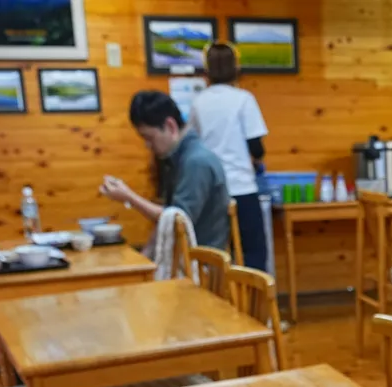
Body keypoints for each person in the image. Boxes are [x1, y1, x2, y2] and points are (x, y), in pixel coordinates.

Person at [101, 90, 231, 255]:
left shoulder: (196, 162)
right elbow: (166, 218)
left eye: (149, 138)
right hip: (183, 257)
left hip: (202, 265)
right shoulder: (176, 156)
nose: (147, 146)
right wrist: (146, 259)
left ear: (170, 126)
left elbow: (176, 221)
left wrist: (129, 197)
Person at [191, 42, 270, 272]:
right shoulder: (244, 99)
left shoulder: (199, 102)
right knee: (252, 253)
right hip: (242, 188)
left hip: (211, 190)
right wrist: (256, 161)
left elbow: (195, 145)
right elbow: (256, 147)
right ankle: (252, 305)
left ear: (206, 71)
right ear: (237, 69)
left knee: (213, 254)